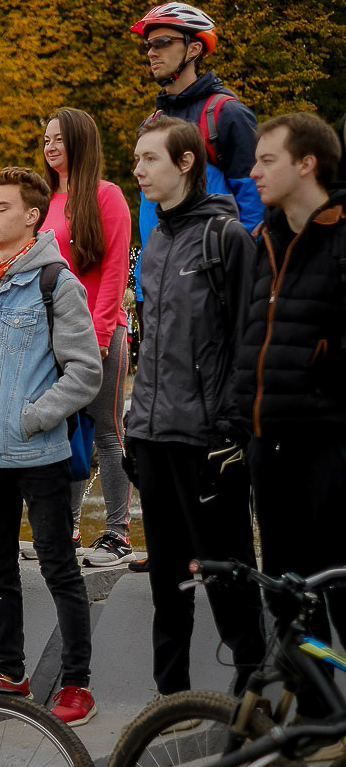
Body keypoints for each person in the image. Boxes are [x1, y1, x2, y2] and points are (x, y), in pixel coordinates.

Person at [125, 115, 266, 697]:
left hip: (208, 440)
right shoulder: (157, 240)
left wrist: (232, 429)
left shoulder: (226, 238)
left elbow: (248, 340)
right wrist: (135, 425)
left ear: (185, 163)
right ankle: (171, 702)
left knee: (227, 572)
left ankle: (254, 694)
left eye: (150, 159)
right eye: (137, 158)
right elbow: (152, 345)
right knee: (166, 581)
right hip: (154, 436)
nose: (138, 170)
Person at [0, 167, 102, 726]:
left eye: (1, 208)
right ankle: (9, 671)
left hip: (39, 455)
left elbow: (85, 372)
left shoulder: (55, 283)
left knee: (59, 568)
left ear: (32, 215)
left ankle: (77, 683)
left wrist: (33, 418)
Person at [235, 112, 346, 717]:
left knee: (339, 588)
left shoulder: (342, 236)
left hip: (327, 448)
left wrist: (322, 381)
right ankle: (319, 715)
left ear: (307, 164)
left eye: (267, 159)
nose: (254, 171)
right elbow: (250, 338)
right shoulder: (265, 239)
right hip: (268, 444)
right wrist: (236, 422)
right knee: (287, 595)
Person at [41, 108, 134, 566]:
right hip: (51, 335)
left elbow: (115, 269)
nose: (50, 146)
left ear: (81, 141)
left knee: (107, 432)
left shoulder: (107, 195)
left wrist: (99, 333)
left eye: (59, 138)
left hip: (100, 333)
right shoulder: (45, 200)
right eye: (46, 139)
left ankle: (118, 532)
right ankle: (68, 528)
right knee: (64, 431)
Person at [131, 2, 263, 308]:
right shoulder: (152, 122)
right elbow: (148, 210)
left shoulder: (227, 115)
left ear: (194, 49)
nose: (152, 52)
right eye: (149, 45)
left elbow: (254, 206)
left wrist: (241, 282)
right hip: (154, 289)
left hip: (210, 289)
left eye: (163, 42)